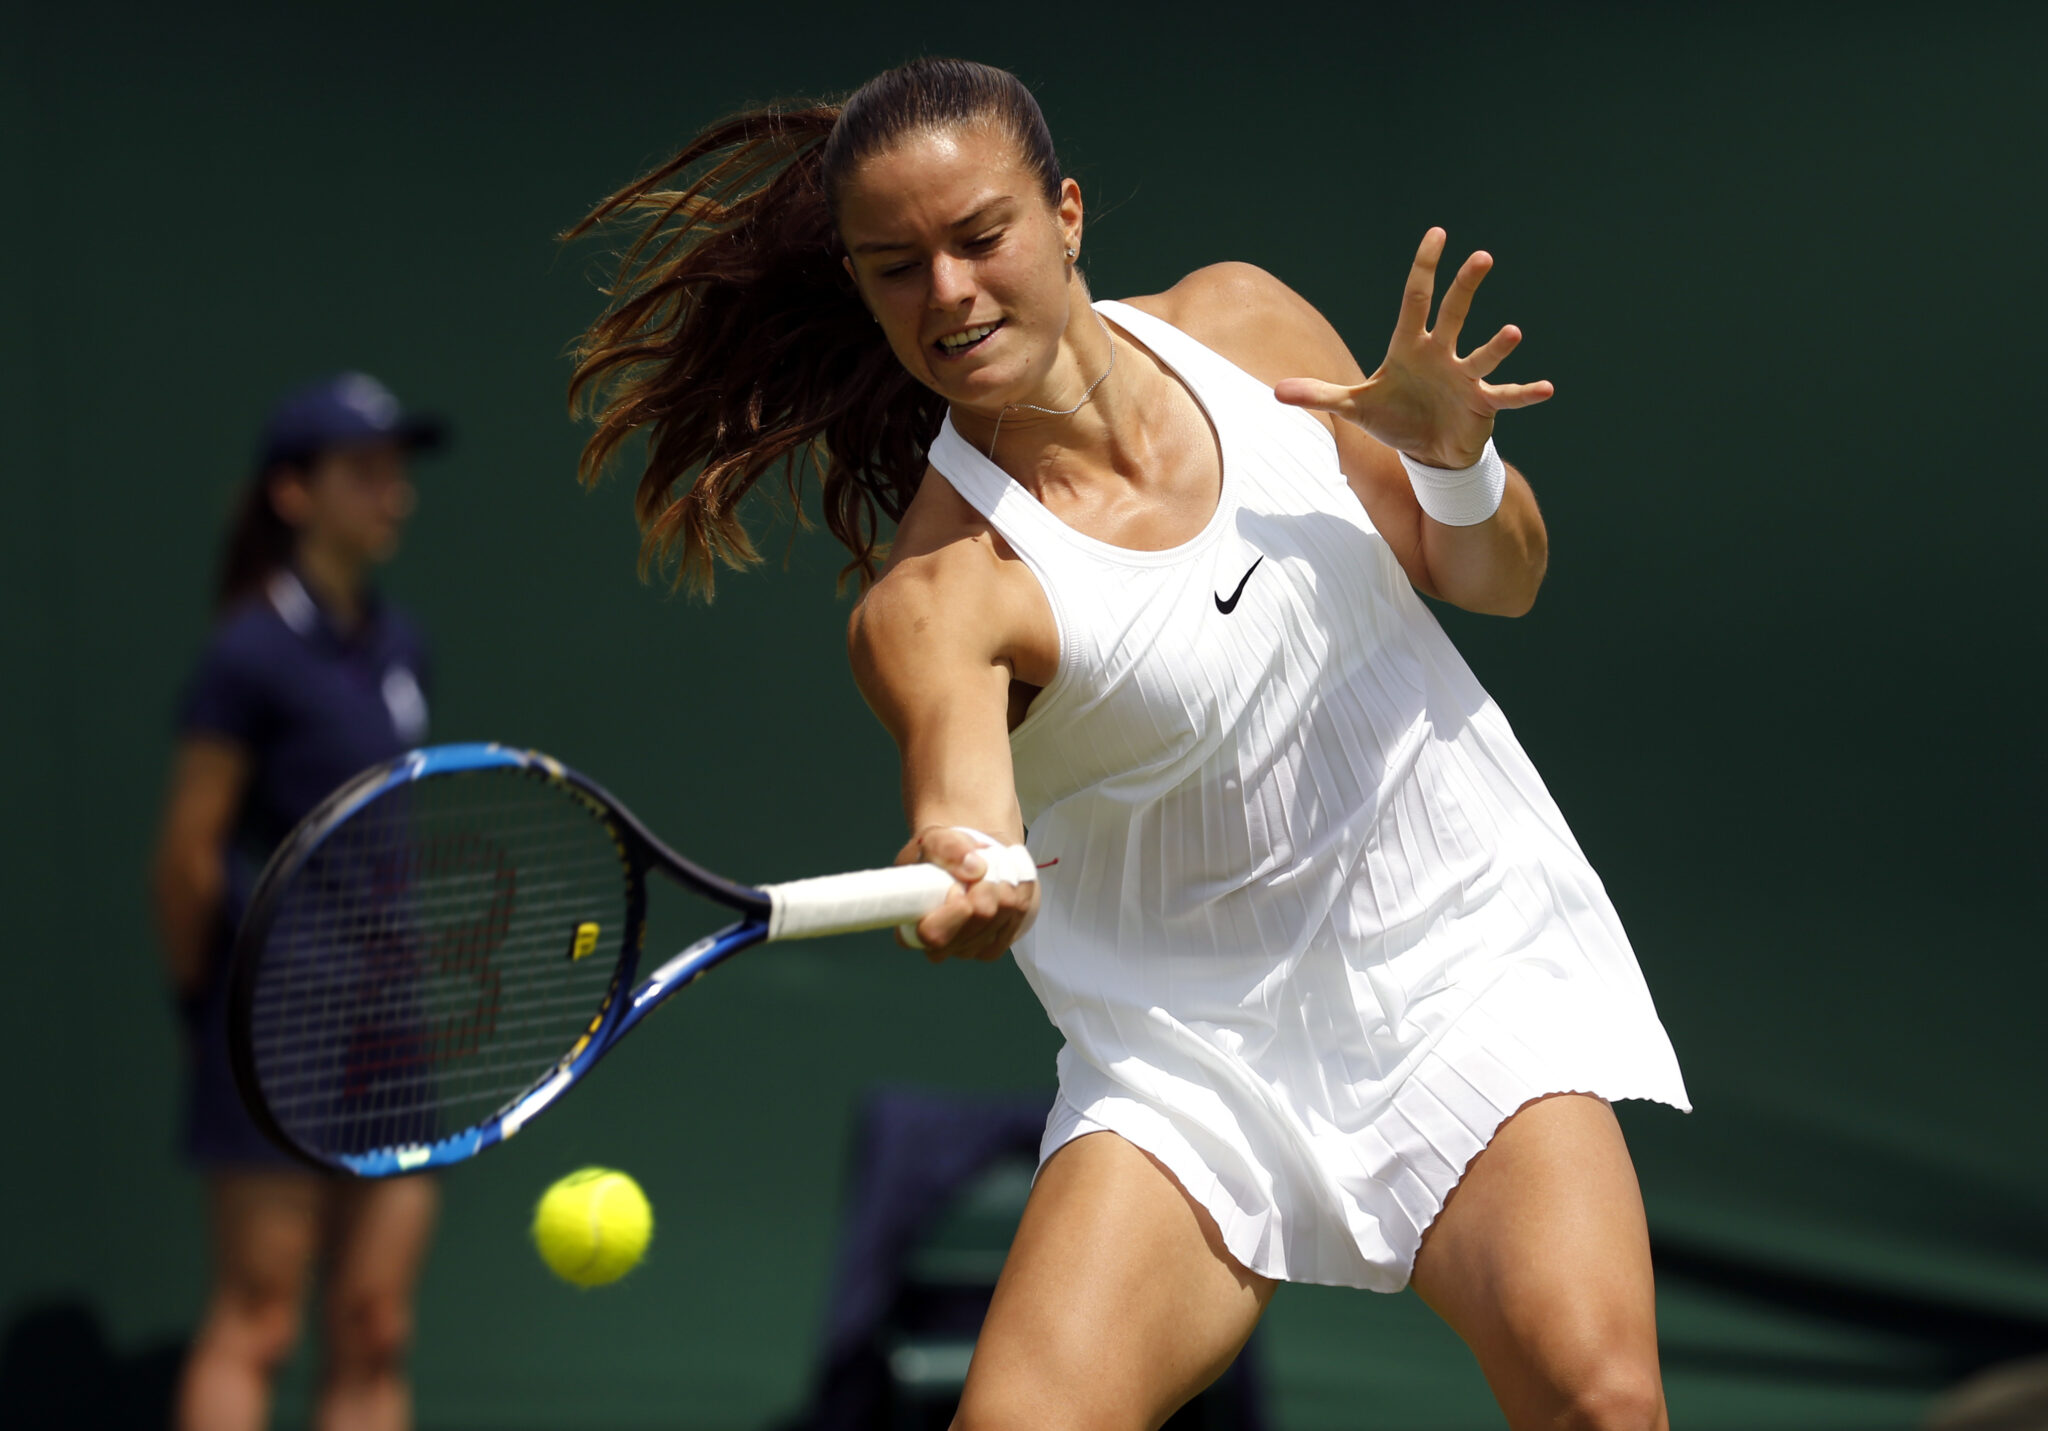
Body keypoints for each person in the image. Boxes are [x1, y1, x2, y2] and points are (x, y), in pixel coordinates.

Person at [567, 60, 1690, 1431]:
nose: (951, 293)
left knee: (1601, 1399)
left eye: (982, 238)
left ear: (1068, 214)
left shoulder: (1246, 322)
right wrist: (963, 874)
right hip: (1192, 1057)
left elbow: (1501, 577)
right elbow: (958, 807)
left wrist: (1457, 463)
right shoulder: (937, 596)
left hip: (1456, 952)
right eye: (897, 268)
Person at [152, 373, 446, 1431]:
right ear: (293, 493)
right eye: (363, 473)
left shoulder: (397, 644)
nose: (393, 495)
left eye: (395, 473)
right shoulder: (248, 653)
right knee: (262, 1319)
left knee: (375, 1324)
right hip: (275, 1020)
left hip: (390, 1021)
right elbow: (187, 856)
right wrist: (208, 1020)